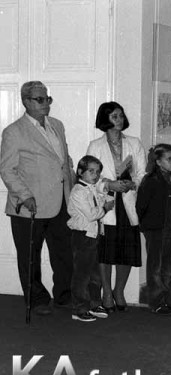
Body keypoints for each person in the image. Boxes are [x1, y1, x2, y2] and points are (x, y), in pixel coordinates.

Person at [0, 81, 75, 316]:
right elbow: (7, 169)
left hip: (61, 201)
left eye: (47, 99)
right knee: (30, 256)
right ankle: (37, 299)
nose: (46, 104)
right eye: (39, 99)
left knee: (64, 253)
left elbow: (64, 161)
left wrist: (74, 189)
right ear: (26, 101)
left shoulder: (57, 125)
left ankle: (64, 296)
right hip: (29, 205)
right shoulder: (14, 131)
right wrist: (24, 195)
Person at [87, 102, 146, 312]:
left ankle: (119, 291)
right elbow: (89, 177)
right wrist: (109, 185)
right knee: (105, 251)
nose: (119, 120)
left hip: (128, 203)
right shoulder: (95, 145)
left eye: (121, 115)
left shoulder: (134, 143)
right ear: (105, 119)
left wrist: (132, 183)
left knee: (126, 250)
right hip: (107, 203)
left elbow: (142, 173)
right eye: (114, 116)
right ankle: (106, 292)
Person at [67, 156, 115, 322]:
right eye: (91, 171)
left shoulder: (92, 188)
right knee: (82, 274)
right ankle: (79, 308)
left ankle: (94, 304)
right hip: (82, 236)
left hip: (94, 235)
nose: (96, 175)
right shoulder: (78, 192)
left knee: (95, 273)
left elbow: (101, 200)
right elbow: (91, 214)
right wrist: (105, 208)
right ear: (80, 172)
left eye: (98, 172)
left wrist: (104, 198)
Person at [136, 144, 171, 316]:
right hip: (155, 230)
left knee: (167, 266)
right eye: (169, 159)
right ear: (158, 162)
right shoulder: (151, 180)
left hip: (170, 228)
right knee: (155, 266)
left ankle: (164, 299)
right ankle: (156, 302)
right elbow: (141, 205)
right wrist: (147, 225)